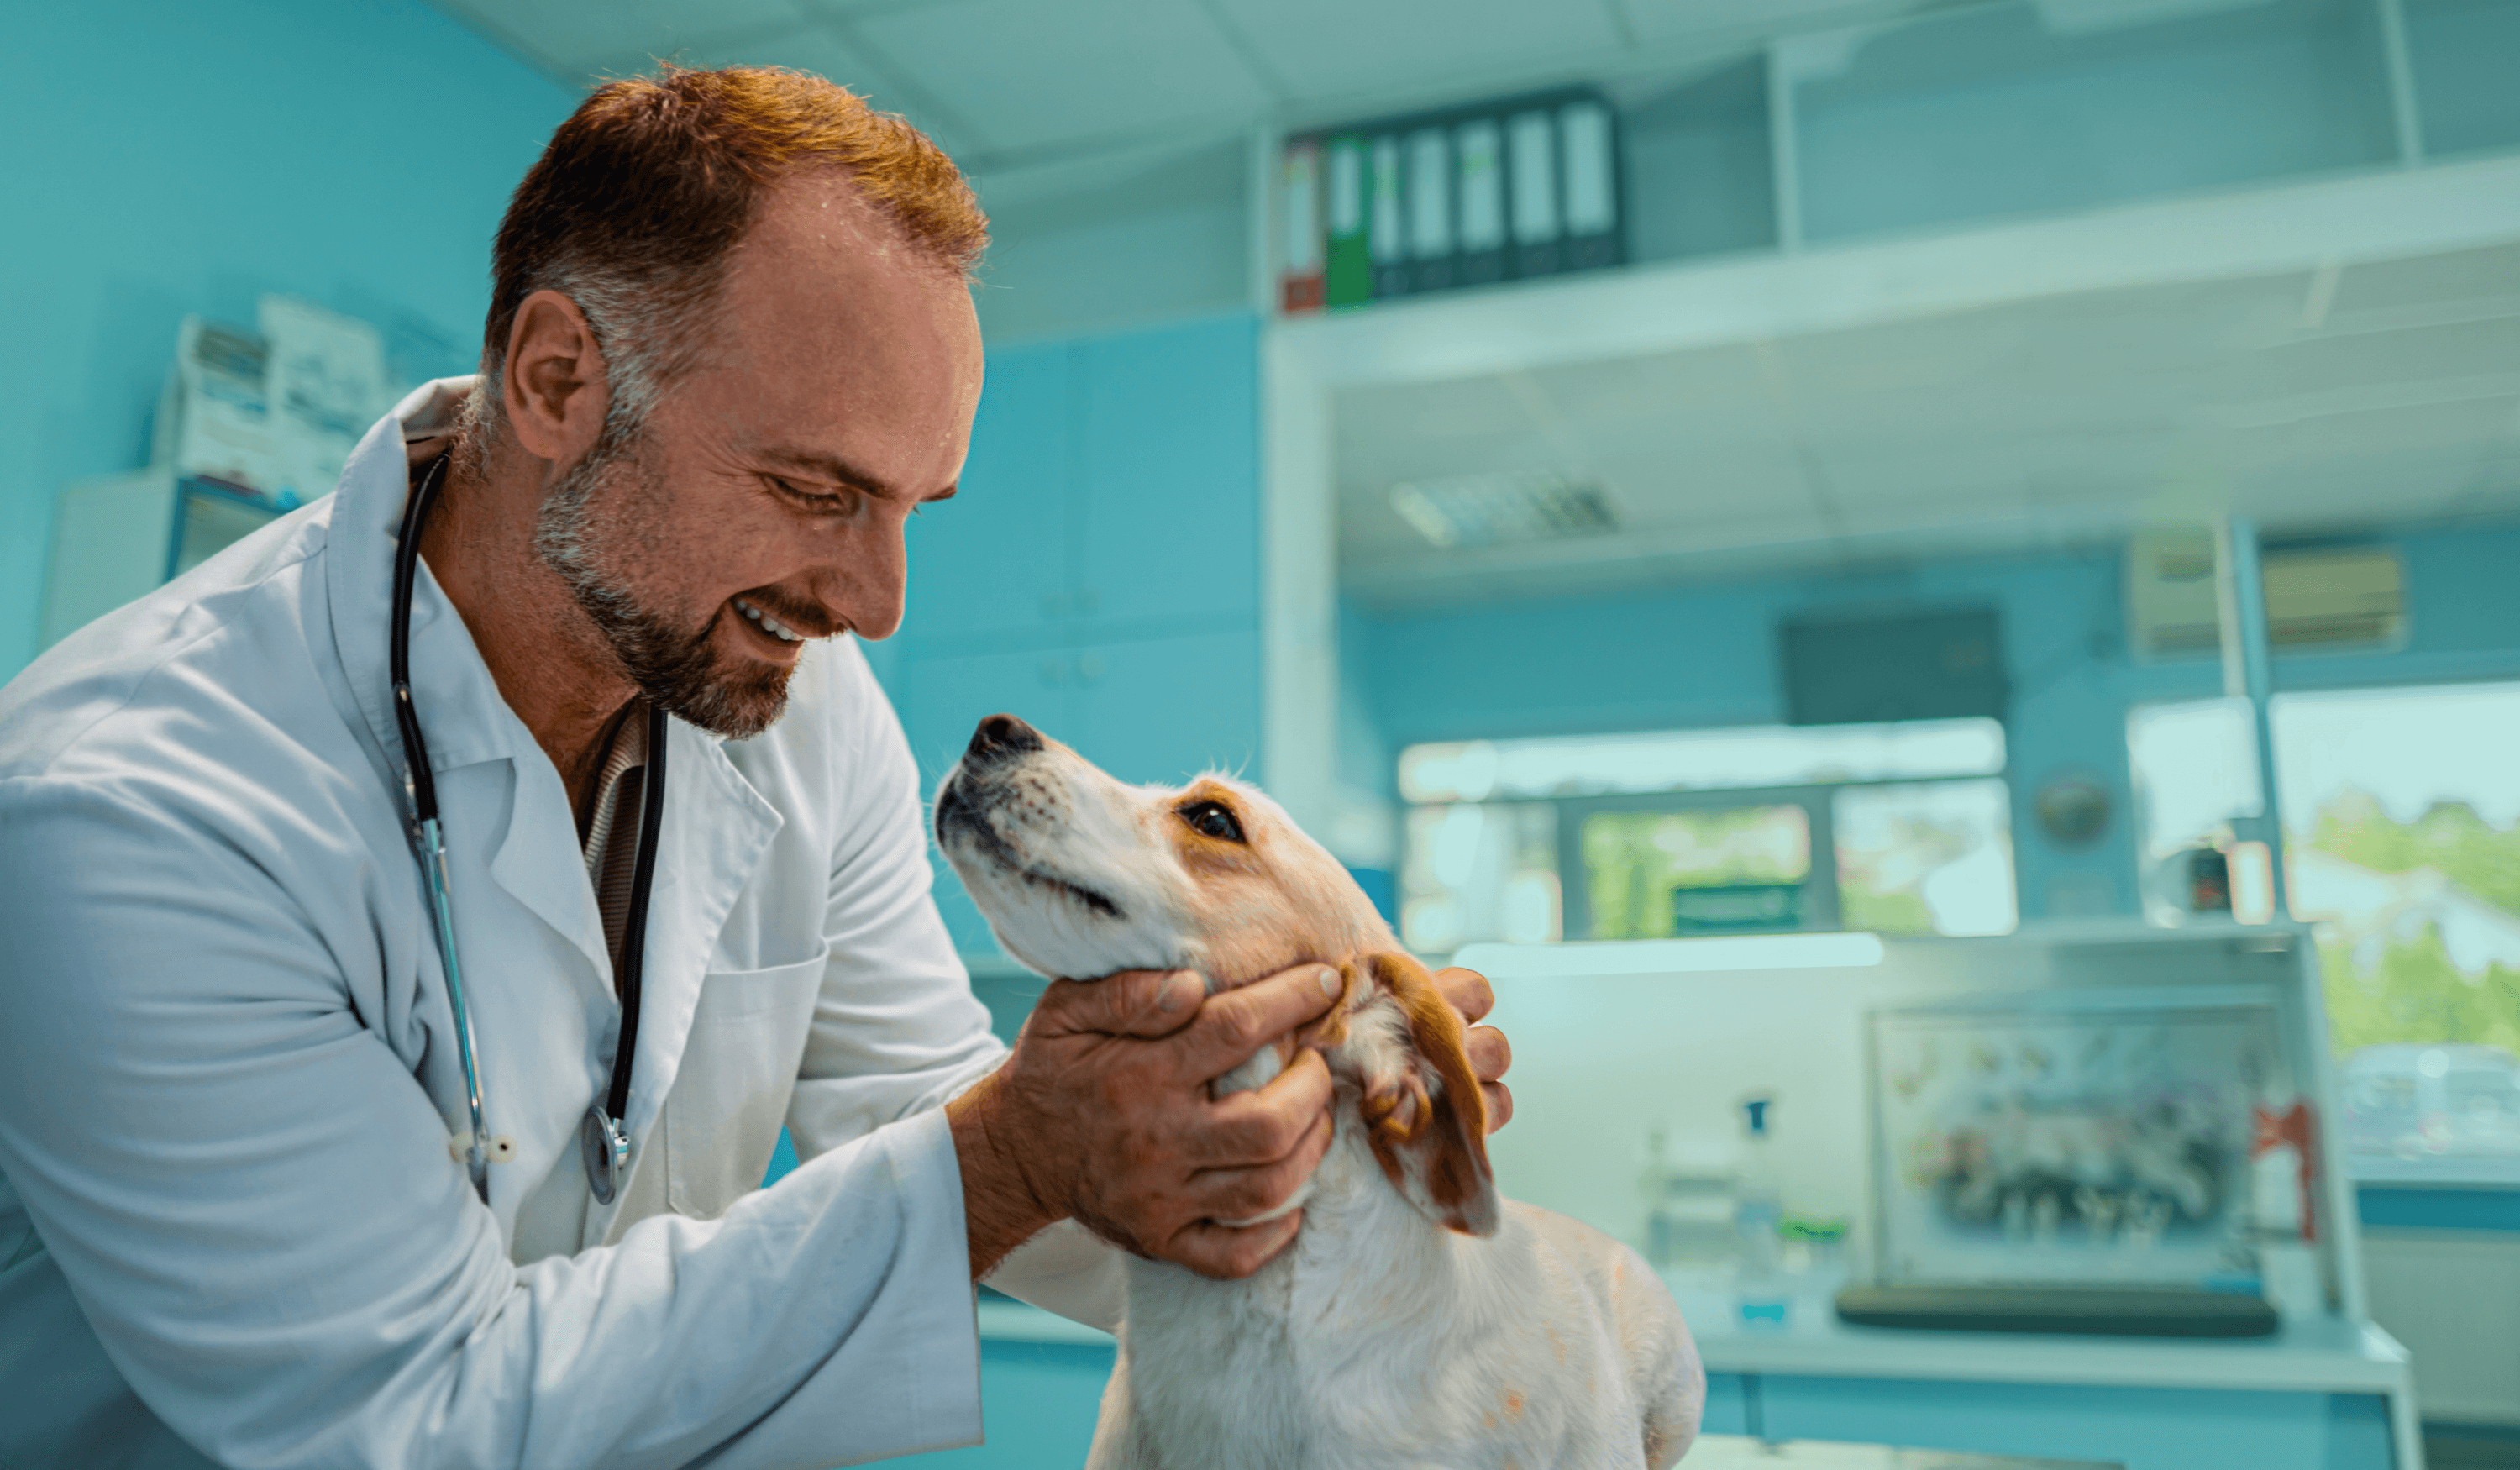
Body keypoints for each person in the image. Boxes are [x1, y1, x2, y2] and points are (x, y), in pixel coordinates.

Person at [0, 67, 1510, 1469]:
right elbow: (417, 1406)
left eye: (912, 507)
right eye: (813, 489)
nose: (877, 602)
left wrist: (1272, 1162)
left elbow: (916, 1097)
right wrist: (1017, 1156)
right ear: (555, 380)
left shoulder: (793, 699)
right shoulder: (134, 817)